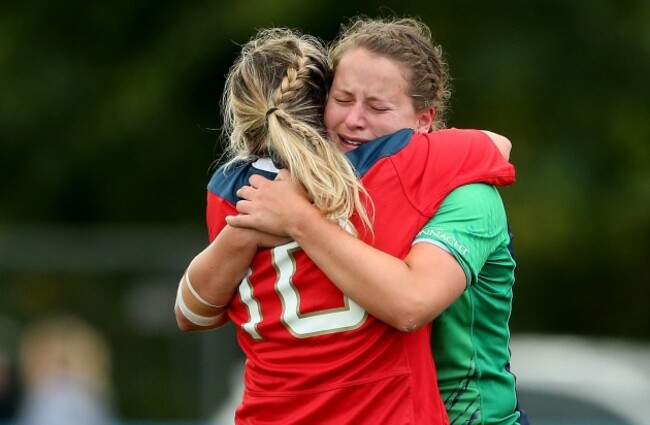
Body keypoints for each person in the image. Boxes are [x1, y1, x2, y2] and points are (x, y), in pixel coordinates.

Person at [174, 27, 514, 424]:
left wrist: (294, 219)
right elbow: (496, 145)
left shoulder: (233, 190)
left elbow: (190, 313)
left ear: (424, 120)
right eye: (342, 99)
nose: (354, 120)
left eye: (378, 107)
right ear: (318, 103)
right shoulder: (387, 179)